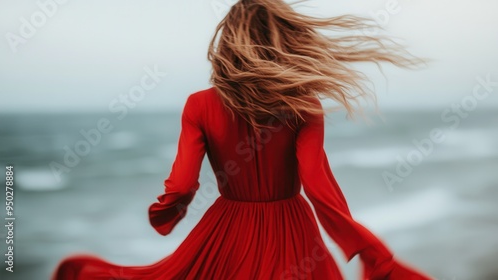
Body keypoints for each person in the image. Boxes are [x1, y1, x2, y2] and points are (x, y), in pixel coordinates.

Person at [52, 0, 433, 279]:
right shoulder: (304, 105)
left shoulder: (199, 105)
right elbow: (320, 190)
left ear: (228, 43)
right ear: (285, 41)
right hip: (293, 232)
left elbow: (184, 183)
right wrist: (367, 248)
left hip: (226, 231)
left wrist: (167, 212)